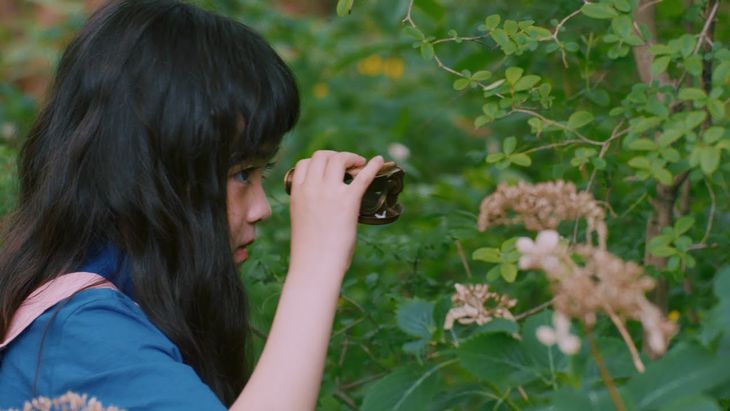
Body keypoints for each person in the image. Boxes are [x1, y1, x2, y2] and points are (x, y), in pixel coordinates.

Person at [0, 0, 384, 409]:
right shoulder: (80, 330)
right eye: (241, 174)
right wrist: (317, 263)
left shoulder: (94, 304)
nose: (261, 208)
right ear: (147, 173)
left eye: (261, 173)